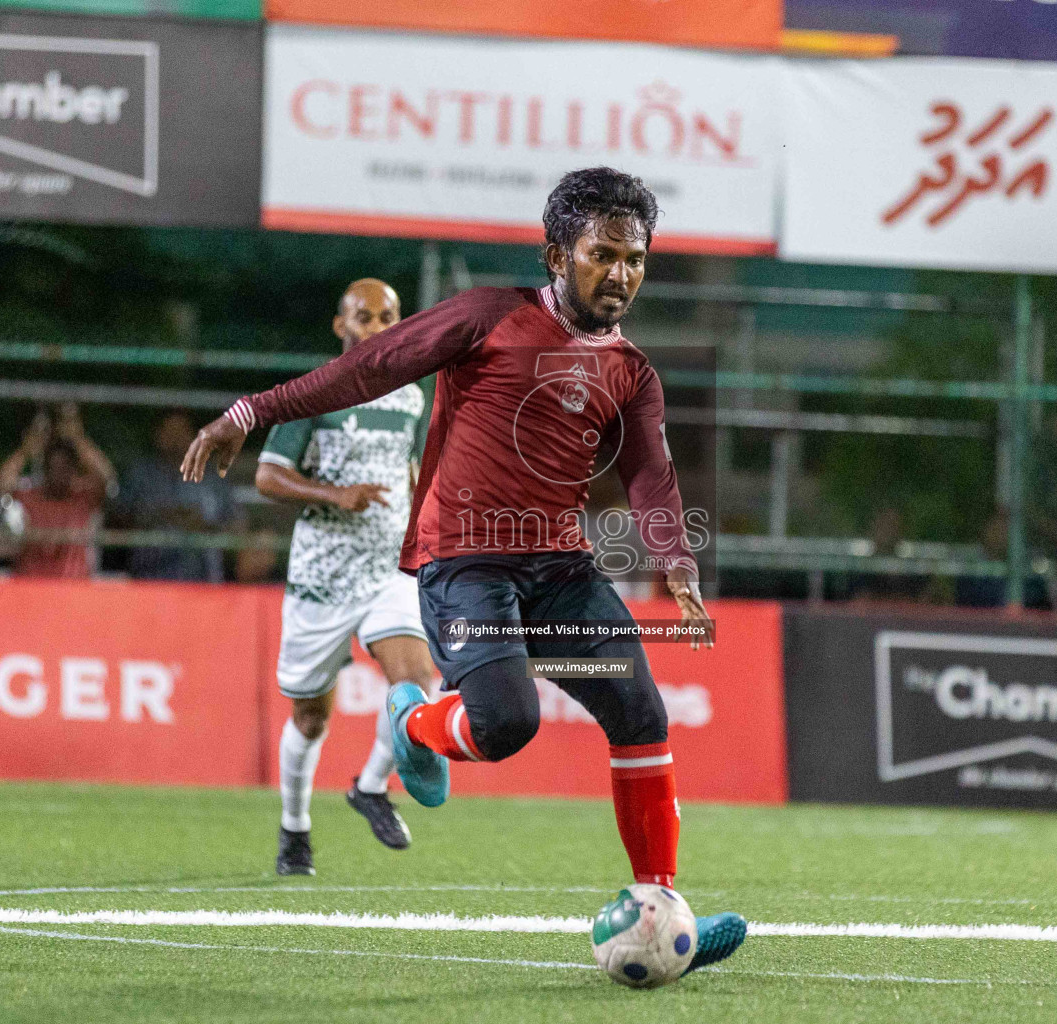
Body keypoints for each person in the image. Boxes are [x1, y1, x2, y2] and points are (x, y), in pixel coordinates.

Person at [182, 168, 746, 974]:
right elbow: (368, 367)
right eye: (602, 255)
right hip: (464, 565)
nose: (619, 273)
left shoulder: (632, 372)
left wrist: (678, 565)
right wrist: (250, 412)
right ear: (559, 254)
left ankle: (660, 907)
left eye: (635, 258)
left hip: (560, 570)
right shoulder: (489, 317)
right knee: (504, 724)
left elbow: (650, 473)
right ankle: (410, 722)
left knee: (639, 708)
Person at [255, 278, 438, 870]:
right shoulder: (316, 392)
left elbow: (412, 467)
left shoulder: (413, 395)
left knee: (416, 684)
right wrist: (337, 495)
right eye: (365, 317)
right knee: (311, 717)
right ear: (342, 327)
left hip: (389, 571)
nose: (377, 327)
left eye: (388, 317)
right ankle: (294, 827)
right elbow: (268, 475)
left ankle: (371, 786)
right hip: (322, 577)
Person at [0, 404, 116, 579]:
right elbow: (0, 486)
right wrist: (25, 451)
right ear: (45, 469)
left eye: (65, 467)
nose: (59, 473)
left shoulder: (83, 497)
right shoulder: (31, 496)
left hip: (73, 588)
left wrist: (78, 438)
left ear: (74, 470)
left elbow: (107, 479)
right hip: (30, 585)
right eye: (54, 467)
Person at [117, 412, 240, 583]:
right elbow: (119, 519)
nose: (175, 439)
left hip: (202, 578)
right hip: (148, 575)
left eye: (181, 432)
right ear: (158, 435)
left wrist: (203, 525)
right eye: (169, 432)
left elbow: (236, 524)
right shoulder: (140, 475)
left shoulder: (212, 478)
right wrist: (159, 516)